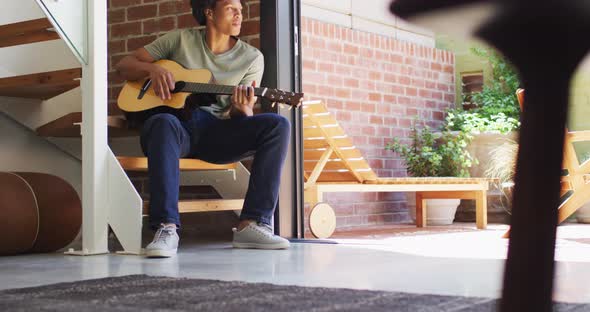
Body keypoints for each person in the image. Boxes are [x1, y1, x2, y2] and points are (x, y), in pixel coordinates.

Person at [115, 0, 291, 258]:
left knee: (278, 125)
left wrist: (242, 109)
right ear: (210, 13)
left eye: (241, 10)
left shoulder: (252, 58)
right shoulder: (179, 40)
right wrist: (153, 69)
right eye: (232, 8)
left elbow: (243, 113)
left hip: (217, 132)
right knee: (161, 121)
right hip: (177, 128)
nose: (239, 15)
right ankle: (166, 227)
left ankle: (252, 224)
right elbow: (124, 66)